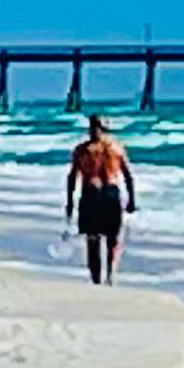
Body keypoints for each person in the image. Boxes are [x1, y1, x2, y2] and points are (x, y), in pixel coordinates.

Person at [65, 116, 137, 285]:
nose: (96, 131)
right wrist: (70, 202)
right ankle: (96, 278)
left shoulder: (115, 149)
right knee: (93, 240)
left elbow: (127, 175)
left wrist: (131, 199)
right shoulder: (82, 150)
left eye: (99, 127)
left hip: (110, 194)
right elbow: (72, 177)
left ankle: (110, 275)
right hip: (91, 195)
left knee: (112, 238)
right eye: (94, 127)